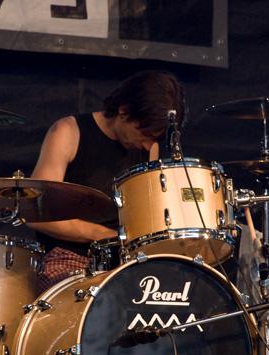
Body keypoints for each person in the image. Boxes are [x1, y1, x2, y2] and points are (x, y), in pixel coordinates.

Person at [28, 70, 186, 292]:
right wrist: (103, 235)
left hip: (124, 263)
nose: (148, 146)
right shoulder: (68, 132)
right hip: (67, 258)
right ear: (124, 111)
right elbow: (35, 214)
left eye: (154, 139)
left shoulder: (150, 149)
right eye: (145, 135)